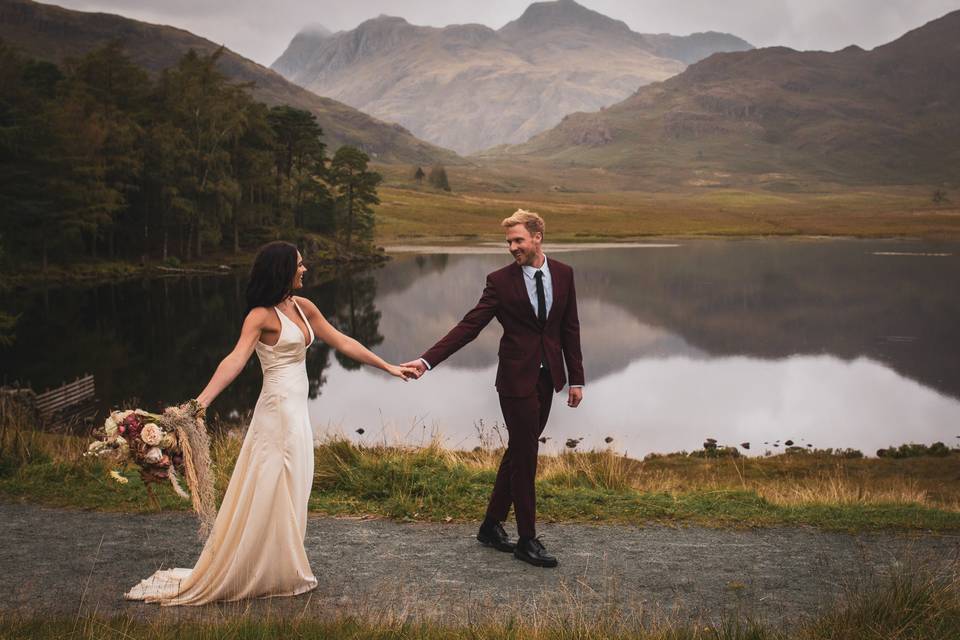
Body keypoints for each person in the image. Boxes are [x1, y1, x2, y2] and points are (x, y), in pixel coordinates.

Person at [126, 241, 416, 605]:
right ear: (282, 269)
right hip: (277, 411)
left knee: (295, 483)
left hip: (297, 411)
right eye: (299, 264)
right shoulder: (260, 317)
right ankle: (259, 568)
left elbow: (342, 340)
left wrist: (389, 367)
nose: (305, 269)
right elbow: (234, 360)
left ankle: (281, 566)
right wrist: (198, 404)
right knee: (272, 484)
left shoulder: (303, 307)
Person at [403, 209, 584, 568]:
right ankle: (527, 540)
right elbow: (469, 326)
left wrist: (576, 378)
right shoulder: (500, 282)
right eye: (508, 242)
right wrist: (426, 361)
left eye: (518, 240)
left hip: (549, 379)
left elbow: (570, 328)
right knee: (526, 454)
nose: (512, 247)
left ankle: (490, 526)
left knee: (519, 449)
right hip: (515, 381)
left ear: (537, 237)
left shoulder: (564, 274)